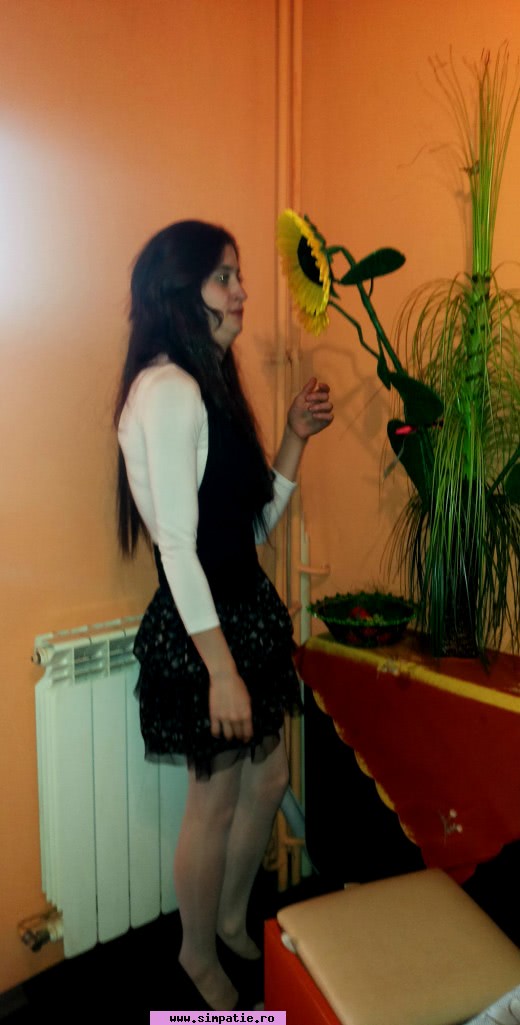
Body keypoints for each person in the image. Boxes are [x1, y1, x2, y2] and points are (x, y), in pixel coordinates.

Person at [114, 219, 333, 1011]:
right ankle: (195, 954)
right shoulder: (168, 389)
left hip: (242, 612)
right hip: (206, 630)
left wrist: (294, 439)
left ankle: (234, 919)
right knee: (213, 801)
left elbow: (250, 528)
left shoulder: (210, 383)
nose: (242, 291)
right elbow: (177, 547)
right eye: (224, 277)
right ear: (181, 293)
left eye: (238, 275)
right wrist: (222, 671)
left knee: (268, 775)